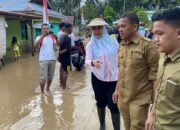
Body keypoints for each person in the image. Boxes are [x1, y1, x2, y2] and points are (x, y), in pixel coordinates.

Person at [112, 12, 159, 130]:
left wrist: (155, 107)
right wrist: (116, 90)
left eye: (123, 26)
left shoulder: (148, 46)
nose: (120, 30)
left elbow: (156, 77)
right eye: (119, 27)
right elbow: (121, 71)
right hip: (123, 99)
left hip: (140, 101)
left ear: (135, 26)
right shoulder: (122, 45)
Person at [145, 7, 180, 130]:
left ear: (178, 33)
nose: (155, 40)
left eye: (160, 33)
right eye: (154, 34)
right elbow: (159, 90)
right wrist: (151, 114)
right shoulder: (163, 57)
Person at [86, 18, 120, 130]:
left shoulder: (113, 41)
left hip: (114, 78)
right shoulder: (90, 45)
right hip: (98, 78)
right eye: (94, 28)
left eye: (99, 27)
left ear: (104, 28)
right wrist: (92, 62)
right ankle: (102, 126)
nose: (97, 30)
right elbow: (87, 60)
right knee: (100, 102)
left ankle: (117, 128)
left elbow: (120, 59)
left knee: (114, 104)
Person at [35, 23, 60, 94]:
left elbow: (59, 45)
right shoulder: (39, 37)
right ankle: (42, 91)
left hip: (52, 59)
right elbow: (36, 46)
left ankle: (48, 88)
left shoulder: (52, 37)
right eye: (44, 29)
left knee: (50, 76)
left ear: (49, 29)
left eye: (47, 28)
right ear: (42, 30)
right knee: (43, 78)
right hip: (43, 60)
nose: (46, 30)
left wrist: (56, 38)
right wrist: (43, 36)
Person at [58, 23, 72, 89]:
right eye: (71, 28)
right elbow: (66, 49)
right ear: (68, 29)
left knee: (62, 70)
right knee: (66, 71)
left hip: (62, 58)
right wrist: (61, 52)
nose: (72, 30)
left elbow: (60, 46)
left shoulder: (62, 37)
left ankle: (61, 84)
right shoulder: (68, 38)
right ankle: (64, 86)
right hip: (67, 58)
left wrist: (59, 53)